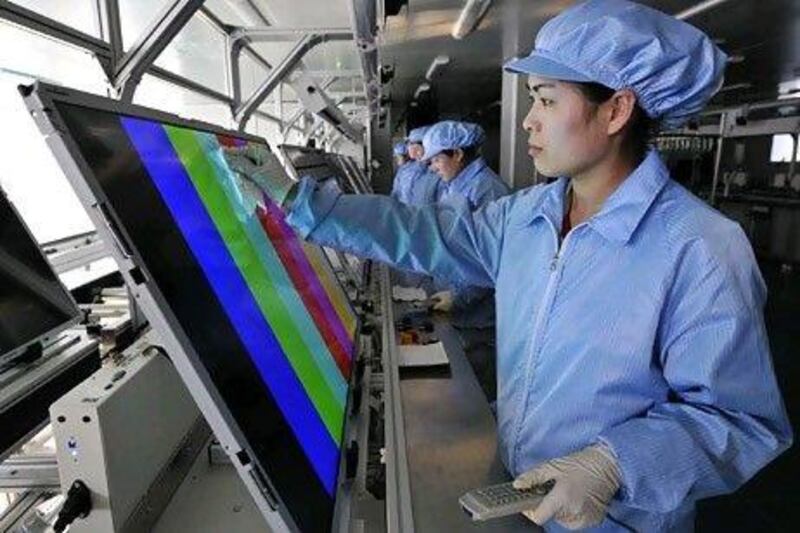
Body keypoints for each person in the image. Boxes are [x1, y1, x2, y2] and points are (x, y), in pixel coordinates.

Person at [225, 1, 792, 530]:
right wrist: (302, 202)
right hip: (520, 491)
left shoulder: (700, 247)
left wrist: (615, 463)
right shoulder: (527, 216)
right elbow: (426, 232)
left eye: (546, 100)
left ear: (617, 108)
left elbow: (739, 420)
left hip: (617, 517)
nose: (528, 121)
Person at [389, 126, 441, 205]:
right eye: (411, 145)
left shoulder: (440, 171)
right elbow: (395, 195)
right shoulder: (405, 169)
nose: (418, 154)